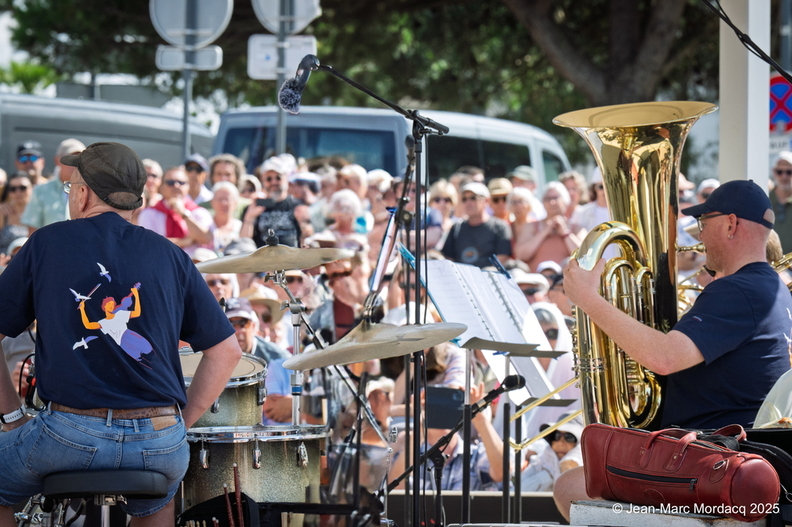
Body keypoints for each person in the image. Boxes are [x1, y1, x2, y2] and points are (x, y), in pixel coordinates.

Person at [0, 142, 243, 527]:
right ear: (138, 202)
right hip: (159, 439)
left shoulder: (46, 243)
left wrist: (13, 414)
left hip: (68, 434)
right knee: (157, 501)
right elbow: (227, 351)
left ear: (82, 194)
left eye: (71, 188)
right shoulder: (172, 255)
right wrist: (179, 423)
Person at [554, 179, 792, 520]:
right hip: (733, 452)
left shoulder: (737, 289)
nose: (697, 236)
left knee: (571, 487)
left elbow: (663, 358)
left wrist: (588, 300)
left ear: (730, 224)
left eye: (703, 223)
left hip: (712, 458)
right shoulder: (774, 288)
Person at [223, 297, 291, 425]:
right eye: (230, 324)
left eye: (244, 323)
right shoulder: (212, 356)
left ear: (254, 326)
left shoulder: (279, 358)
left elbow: (278, 409)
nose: (238, 331)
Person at [137, 166, 215, 257]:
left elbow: (207, 239)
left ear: (188, 186)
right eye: (170, 182)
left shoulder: (199, 212)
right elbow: (150, 244)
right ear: (161, 187)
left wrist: (183, 213)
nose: (176, 186)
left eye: (181, 183)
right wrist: (184, 241)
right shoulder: (150, 213)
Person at [20, 138, 86, 232]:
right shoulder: (41, 191)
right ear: (57, 161)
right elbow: (32, 231)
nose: (75, 164)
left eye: (80, 159)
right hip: (50, 246)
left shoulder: (91, 191)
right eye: (70, 159)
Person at [441, 182, 512, 268]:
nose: (468, 202)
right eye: (464, 199)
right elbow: (448, 259)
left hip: (488, 278)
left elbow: (502, 258)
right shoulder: (457, 228)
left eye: (473, 198)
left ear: (486, 201)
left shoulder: (499, 227)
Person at [241, 154, 301, 248]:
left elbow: (306, 238)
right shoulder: (256, 206)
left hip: (292, 258)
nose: (274, 182)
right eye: (269, 179)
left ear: (286, 178)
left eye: (278, 178)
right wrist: (250, 217)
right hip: (263, 259)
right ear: (263, 181)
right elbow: (244, 243)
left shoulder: (296, 205)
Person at [770, 151, 792, 253]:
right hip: (769, 266)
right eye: (780, 172)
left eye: (789, 172)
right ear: (774, 172)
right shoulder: (765, 200)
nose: (784, 176)